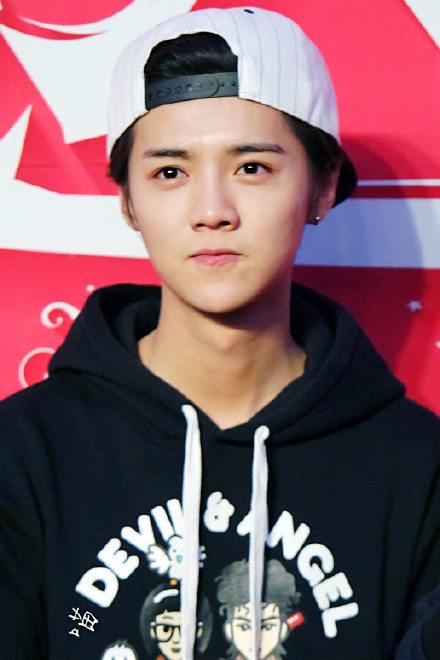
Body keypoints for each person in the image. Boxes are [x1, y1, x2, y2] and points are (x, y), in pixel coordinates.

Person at [0, 6, 439, 659]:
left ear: (322, 188)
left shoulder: (418, 465)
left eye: (252, 167)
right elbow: (75, 627)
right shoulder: (23, 453)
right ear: (128, 202)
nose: (212, 211)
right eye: (169, 172)